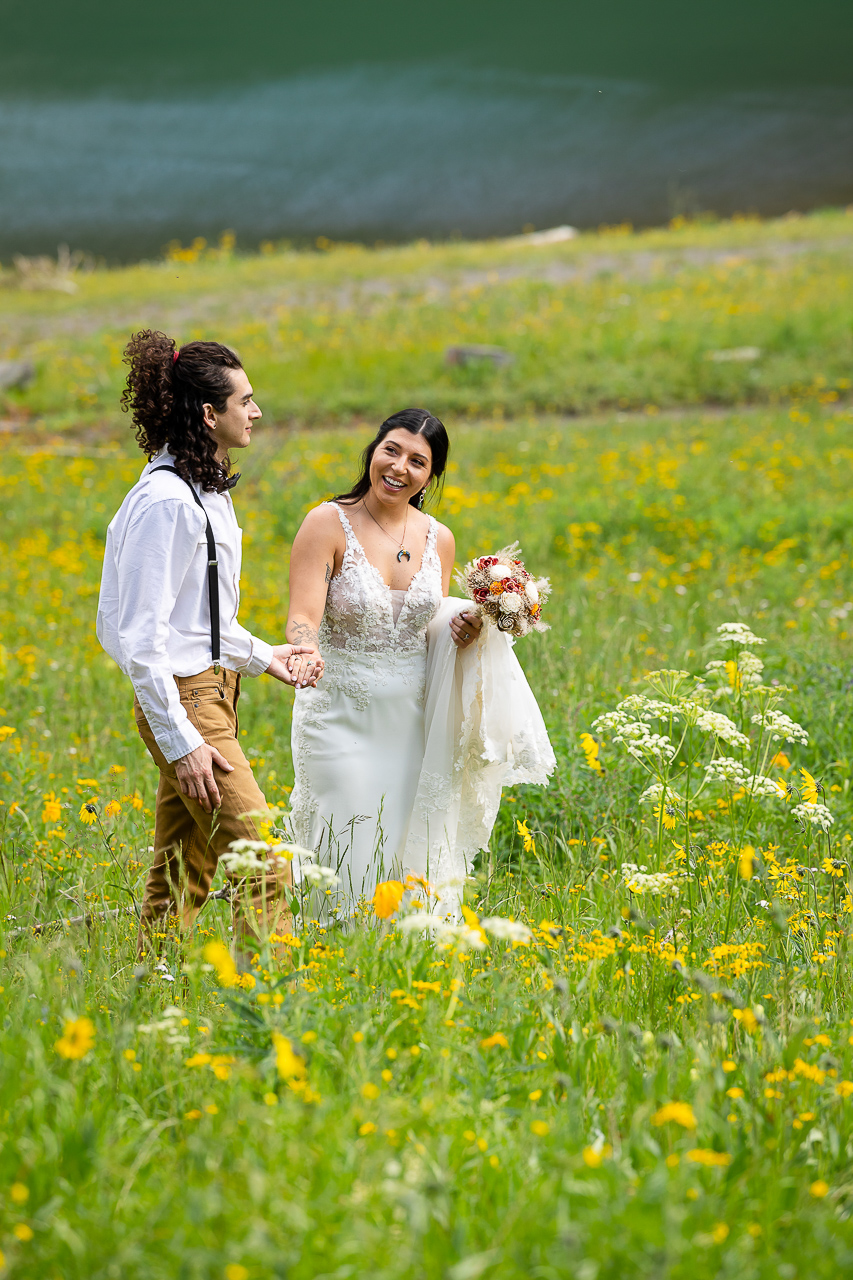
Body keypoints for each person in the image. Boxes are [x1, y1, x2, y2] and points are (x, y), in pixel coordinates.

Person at [97, 330, 320, 958]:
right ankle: (268, 1009)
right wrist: (183, 740)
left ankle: (149, 985)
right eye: (244, 400)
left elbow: (201, 623)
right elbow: (143, 641)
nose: (255, 412)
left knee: (181, 872)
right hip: (187, 705)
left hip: (213, 694)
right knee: (263, 865)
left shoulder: (203, 491)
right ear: (208, 413)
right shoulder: (166, 502)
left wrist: (269, 659)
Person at [285, 408, 554, 913]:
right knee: (344, 832)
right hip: (338, 709)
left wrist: (462, 625)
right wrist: (304, 650)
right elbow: (303, 614)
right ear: (373, 451)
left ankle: (397, 954)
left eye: (417, 460)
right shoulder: (327, 522)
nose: (399, 467)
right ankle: (329, 947)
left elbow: (425, 620)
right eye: (391, 450)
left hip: (410, 717)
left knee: (401, 837)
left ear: (431, 475)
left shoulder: (439, 538)